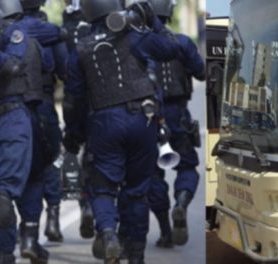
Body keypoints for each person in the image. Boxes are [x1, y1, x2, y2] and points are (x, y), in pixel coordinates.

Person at [63, 0, 179, 263]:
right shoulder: (135, 36)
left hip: (103, 124)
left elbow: (73, 100)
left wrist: (74, 134)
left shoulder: (80, 50)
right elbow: (171, 49)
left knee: (103, 188)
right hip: (142, 119)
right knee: (137, 191)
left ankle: (108, 234)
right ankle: (136, 254)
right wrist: (152, 20)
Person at [0, 0, 46, 262]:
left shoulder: (11, 31)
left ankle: (5, 251)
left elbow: (13, 65)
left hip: (10, 115)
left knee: (2, 194)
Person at [146, 0, 205, 247]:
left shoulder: (140, 44)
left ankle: (165, 232)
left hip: (149, 119)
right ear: (169, 13)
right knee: (188, 167)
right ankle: (180, 203)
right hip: (178, 115)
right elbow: (202, 72)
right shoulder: (181, 42)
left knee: (152, 175)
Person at [19, 0, 68, 244]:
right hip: (43, 104)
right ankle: (52, 219)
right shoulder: (50, 32)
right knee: (49, 162)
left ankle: (20, 230)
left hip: (7, 111)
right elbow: (64, 70)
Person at [62, 0, 95, 240]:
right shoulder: (117, 29)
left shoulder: (67, 32)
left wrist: (71, 132)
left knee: (89, 161)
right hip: (108, 106)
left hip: (83, 106)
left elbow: (70, 92)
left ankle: (87, 207)